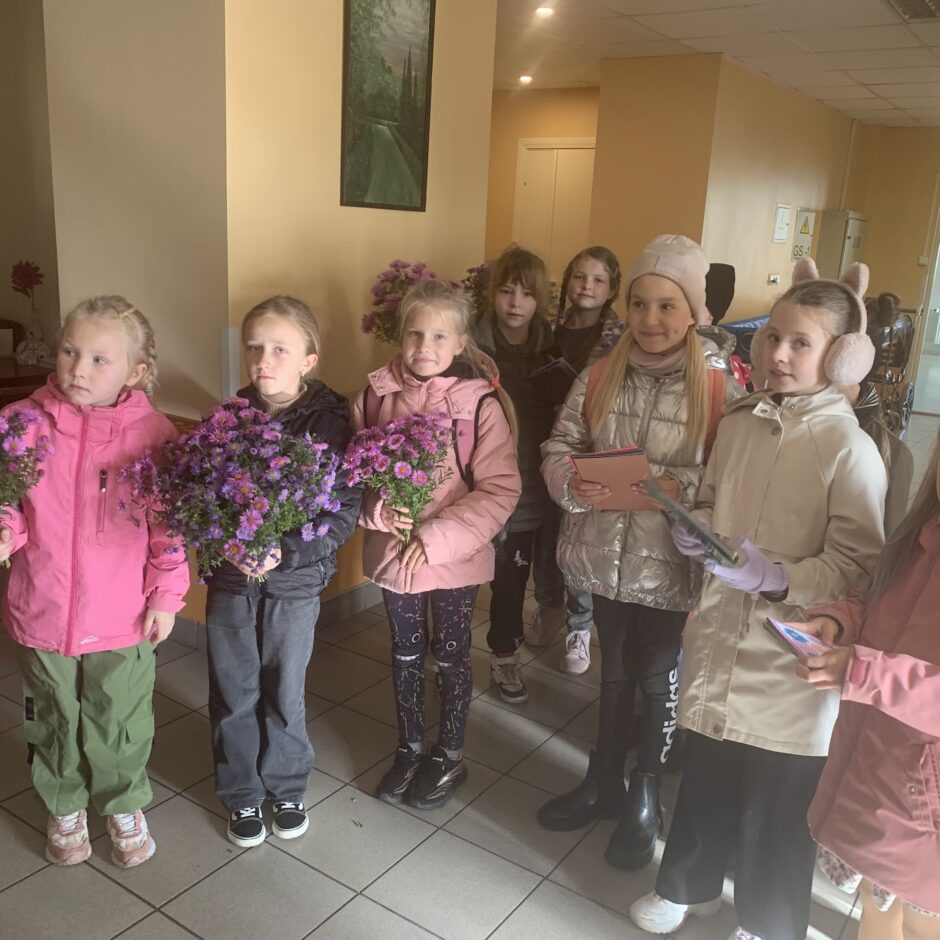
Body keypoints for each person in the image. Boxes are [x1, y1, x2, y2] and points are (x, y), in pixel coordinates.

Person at [630, 259, 888, 940]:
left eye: (801, 343)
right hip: (720, 633)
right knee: (707, 773)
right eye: (773, 336)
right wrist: (697, 529)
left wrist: (777, 578)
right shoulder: (741, 422)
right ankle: (687, 886)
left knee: (776, 803)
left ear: (842, 356)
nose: (778, 353)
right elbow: (714, 498)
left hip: (790, 659)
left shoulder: (849, 448)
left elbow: (858, 567)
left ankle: (769, 922)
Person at [538, 235, 739, 870]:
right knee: (614, 671)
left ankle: (645, 793)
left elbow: (736, 473)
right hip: (604, 555)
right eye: (639, 304)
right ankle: (603, 782)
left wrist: (684, 487)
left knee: (656, 677)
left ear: (694, 312)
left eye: (667, 306)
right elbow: (561, 442)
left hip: (673, 565)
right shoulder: (603, 372)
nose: (650, 320)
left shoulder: (718, 384)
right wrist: (571, 482)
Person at [0, 295, 189, 868]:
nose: (78, 368)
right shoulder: (21, 423)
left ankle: (123, 802)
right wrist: (6, 528)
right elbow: (10, 500)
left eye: (99, 359)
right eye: (69, 351)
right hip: (43, 606)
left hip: (122, 613)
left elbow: (169, 528)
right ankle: (64, 802)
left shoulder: (155, 435)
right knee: (52, 713)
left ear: (135, 371)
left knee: (120, 715)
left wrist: (166, 596)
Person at [353, 280, 520, 809]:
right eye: (415, 334)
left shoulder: (481, 406)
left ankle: (448, 753)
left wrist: (435, 537)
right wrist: (378, 510)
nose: (424, 346)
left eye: (439, 336)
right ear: (401, 335)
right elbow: (350, 474)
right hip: (393, 554)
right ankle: (409, 747)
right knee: (404, 653)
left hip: (455, 558)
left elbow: (500, 488)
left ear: (461, 342)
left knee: (451, 655)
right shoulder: (375, 396)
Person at [205, 295, 360, 848]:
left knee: (284, 690)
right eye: (254, 347)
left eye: (279, 349)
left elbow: (342, 511)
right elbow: (203, 498)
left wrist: (285, 551)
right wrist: (225, 542)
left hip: (294, 583)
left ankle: (287, 785)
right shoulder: (227, 418)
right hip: (231, 579)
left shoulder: (334, 423)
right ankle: (241, 792)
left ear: (309, 360)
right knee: (233, 689)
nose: (262, 360)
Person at [792, 425, 940, 940]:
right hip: (877, 767)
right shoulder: (919, 536)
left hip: (925, 795)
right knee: (878, 908)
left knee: (921, 921)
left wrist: (863, 671)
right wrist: (837, 621)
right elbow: (871, 595)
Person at [473, 245, 566, 704]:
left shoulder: (551, 352)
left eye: (526, 294)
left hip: (528, 488)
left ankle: (504, 654)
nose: (515, 303)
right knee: (458, 576)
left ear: (540, 300)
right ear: (493, 293)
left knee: (511, 580)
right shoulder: (470, 350)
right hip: (472, 487)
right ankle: (445, 649)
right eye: (507, 291)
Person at [546, 246, 624, 674]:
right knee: (547, 543)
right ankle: (549, 607)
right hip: (547, 443)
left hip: (592, 449)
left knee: (582, 541)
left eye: (598, 280)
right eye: (579, 276)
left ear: (612, 289)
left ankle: (580, 625)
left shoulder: (620, 339)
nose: (587, 286)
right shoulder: (547, 330)